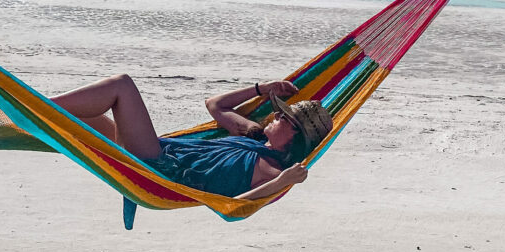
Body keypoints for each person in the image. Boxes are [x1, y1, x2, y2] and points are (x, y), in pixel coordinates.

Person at [52, 75, 333, 199]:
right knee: (73, 117)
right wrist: (261, 88)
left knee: (122, 86)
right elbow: (215, 104)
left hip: (155, 166)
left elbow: (234, 208)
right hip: (156, 148)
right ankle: (29, 108)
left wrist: (283, 182)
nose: (275, 116)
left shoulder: (273, 171)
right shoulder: (253, 135)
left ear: (295, 134)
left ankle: (28, 104)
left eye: (284, 117)